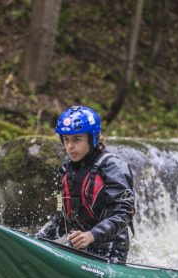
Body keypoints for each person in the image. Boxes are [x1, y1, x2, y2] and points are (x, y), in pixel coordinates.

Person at [37, 105, 136, 263]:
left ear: (92, 138)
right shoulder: (67, 170)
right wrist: (38, 240)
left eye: (77, 139)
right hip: (79, 248)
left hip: (110, 250)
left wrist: (92, 235)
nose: (70, 146)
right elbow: (61, 217)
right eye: (66, 139)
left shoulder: (112, 167)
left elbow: (124, 213)